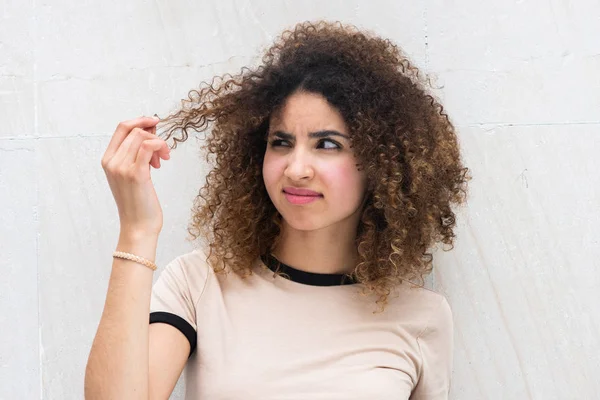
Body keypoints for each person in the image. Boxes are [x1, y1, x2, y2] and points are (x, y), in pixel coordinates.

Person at [85, 20, 470, 399]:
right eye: (281, 143)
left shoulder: (422, 317)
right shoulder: (200, 282)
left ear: (381, 164)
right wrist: (137, 229)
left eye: (328, 145)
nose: (296, 169)